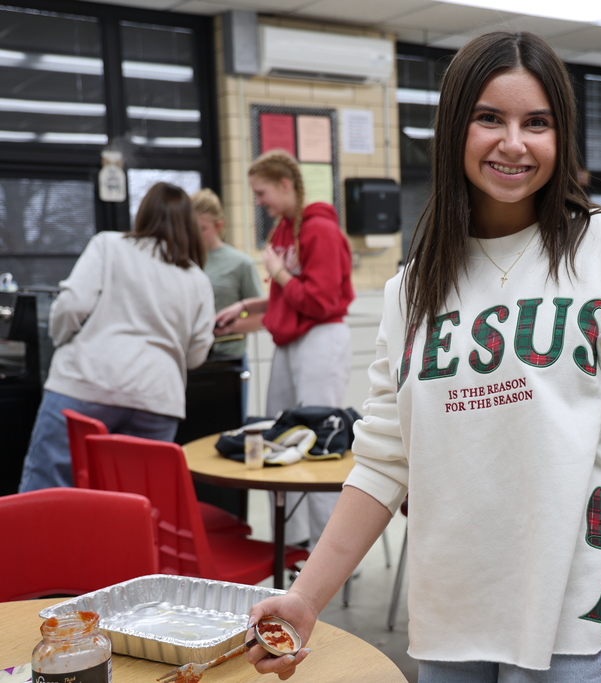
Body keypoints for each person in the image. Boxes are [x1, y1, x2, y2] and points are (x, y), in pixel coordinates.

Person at [244, 31, 601, 683]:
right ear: (455, 130)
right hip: (452, 615)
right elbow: (384, 461)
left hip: (582, 613)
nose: (514, 142)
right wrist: (306, 595)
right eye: (489, 118)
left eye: (537, 122)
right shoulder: (412, 290)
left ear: (560, 137)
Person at [19, 182, 215, 492]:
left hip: (86, 382)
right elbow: (196, 354)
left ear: (143, 214)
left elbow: (72, 305)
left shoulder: (109, 245)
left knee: (48, 491)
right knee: (135, 505)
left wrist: (60, 340)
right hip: (157, 398)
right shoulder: (197, 277)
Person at [215, 150, 355, 551]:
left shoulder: (320, 231)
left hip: (321, 336)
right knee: (279, 437)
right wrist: (243, 307)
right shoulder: (284, 230)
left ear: (285, 185)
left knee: (317, 443)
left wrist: (277, 273)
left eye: (262, 193)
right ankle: (291, 545)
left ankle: (325, 551)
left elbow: (319, 300)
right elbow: (288, 295)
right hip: (292, 341)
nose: (259, 201)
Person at [192, 188, 264, 419]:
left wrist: (231, 326)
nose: (194, 235)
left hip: (226, 359)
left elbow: (261, 316)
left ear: (219, 226)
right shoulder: (181, 260)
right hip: (189, 360)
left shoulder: (239, 264)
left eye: (201, 229)